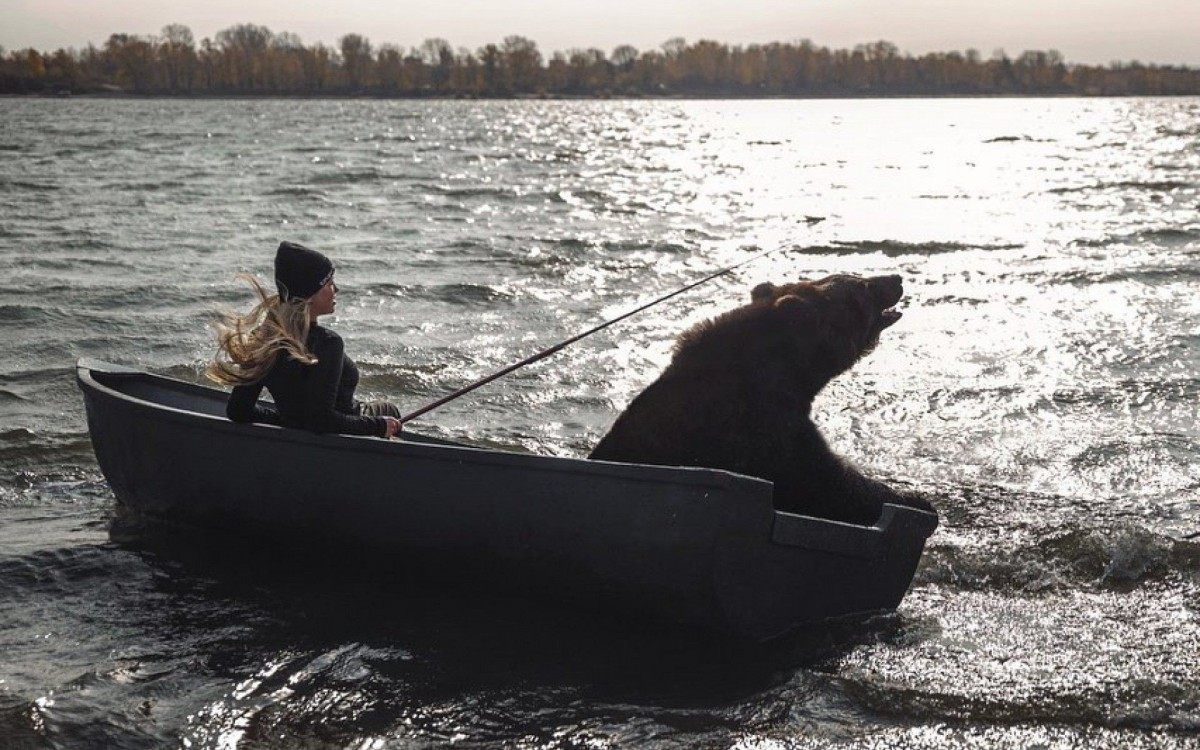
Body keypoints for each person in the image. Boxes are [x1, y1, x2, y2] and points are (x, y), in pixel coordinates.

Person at [207, 241, 403, 438]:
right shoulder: (329, 343)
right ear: (309, 295)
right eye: (329, 283)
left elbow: (239, 410)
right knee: (389, 410)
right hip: (348, 433)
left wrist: (288, 421)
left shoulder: (264, 340)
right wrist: (378, 426)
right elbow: (321, 420)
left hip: (314, 428)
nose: (336, 289)